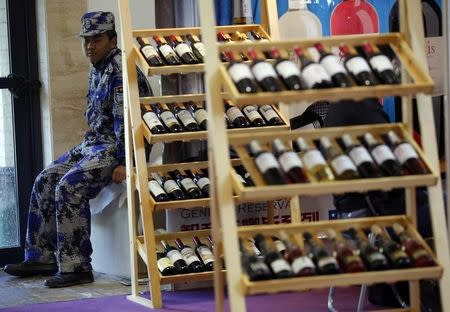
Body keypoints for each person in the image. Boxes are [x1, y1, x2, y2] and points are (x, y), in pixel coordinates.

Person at [4, 11, 152, 288]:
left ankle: (77, 266)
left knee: (68, 186)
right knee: (45, 179)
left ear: (112, 39)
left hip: (115, 148)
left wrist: (126, 162)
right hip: (93, 143)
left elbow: (131, 124)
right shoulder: (97, 67)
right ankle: (41, 256)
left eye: (96, 39)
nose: (90, 46)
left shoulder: (120, 71)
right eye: (86, 40)